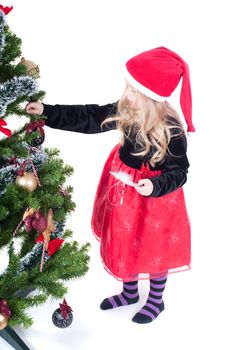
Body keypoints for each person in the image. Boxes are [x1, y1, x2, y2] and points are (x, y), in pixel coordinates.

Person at [26, 46, 195, 324]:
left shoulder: (171, 130)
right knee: (125, 238)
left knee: (154, 245)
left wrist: (156, 186)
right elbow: (90, 117)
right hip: (124, 191)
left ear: (152, 97)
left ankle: (156, 299)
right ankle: (129, 292)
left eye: (133, 90)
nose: (126, 94)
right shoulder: (126, 111)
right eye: (128, 87)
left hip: (156, 201)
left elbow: (180, 171)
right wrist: (47, 112)